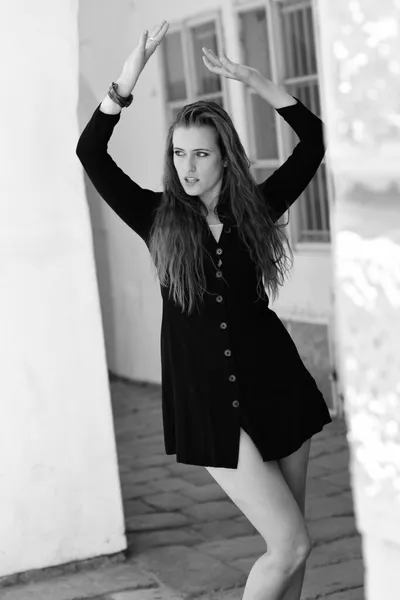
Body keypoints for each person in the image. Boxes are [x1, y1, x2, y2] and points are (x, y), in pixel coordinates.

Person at [76, 19, 332, 600]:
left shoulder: (257, 209)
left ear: (225, 158)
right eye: (178, 153)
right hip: (210, 401)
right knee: (289, 543)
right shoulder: (156, 217)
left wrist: (254, 79)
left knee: (293, 548)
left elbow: (314, 141)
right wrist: (126, 81)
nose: (186, 166)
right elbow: (91, 152)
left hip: (278, 383)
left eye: (200, 154)